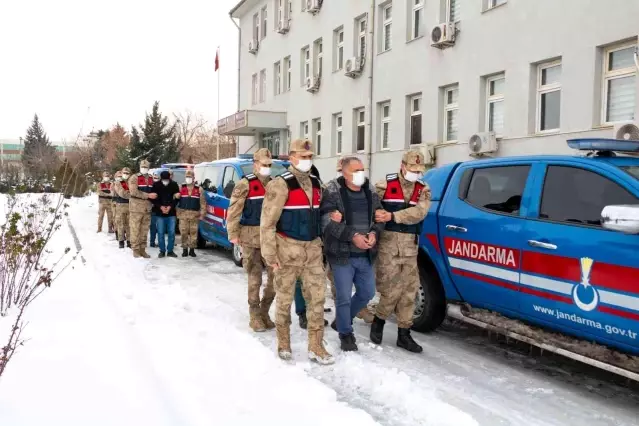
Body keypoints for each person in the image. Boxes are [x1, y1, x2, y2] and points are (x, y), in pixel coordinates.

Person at [260, 139, 334, 365]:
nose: (306, 161)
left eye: (309, 157)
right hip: (287, 252)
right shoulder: (280, 184)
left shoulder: (316, 183)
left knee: (318, 300)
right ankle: (283, 342)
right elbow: (268, 223)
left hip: (312, 251)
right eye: (302, 157)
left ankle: (316, 345)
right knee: (284, 299)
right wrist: (270, 256)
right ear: (291, 158)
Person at [321, 156, 384, 351]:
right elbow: (326, 223)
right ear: (344, 173)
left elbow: (380, 217)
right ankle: (346, 334)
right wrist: (353, 236)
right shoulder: (333, 192)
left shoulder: (370, 191)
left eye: (362, 170)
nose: (360, 174)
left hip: (364, 254)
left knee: (367, 292)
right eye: (355, 170)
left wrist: (374, 232)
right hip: (341, 255)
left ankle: (342, 320)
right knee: (344, 297)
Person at [370, 150, 431, 353]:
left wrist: (393, 216)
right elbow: (372, 208)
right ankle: (378, 321)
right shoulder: (384, 185)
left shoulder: (423, 188)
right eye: (412, 169)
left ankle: (404, 334)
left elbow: (420, 212)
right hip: (388, 246)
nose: (416, 174)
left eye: (419, 170)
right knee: (391, 289)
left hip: (410, 246)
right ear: (402, 166)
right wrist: (378, 215)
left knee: (409, 290)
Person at [227, 149, 277, 332]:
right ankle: (254, 315)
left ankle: (264, 311)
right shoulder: (244, 184)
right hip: (251, 240)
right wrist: (233, 233)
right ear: (255, 164)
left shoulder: (275, 185)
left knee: (275, 280)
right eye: (264, 165)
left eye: (269, 165)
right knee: (254, 279)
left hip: (271, 241)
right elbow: (233, 211)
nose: (267, 168)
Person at [127, 159, 157, 258]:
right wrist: (148, 195)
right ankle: (135, 249)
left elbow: (155, 190)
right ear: (140, 167)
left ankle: (142, 249)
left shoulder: (151, 178)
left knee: (144, 230)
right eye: (143, 167)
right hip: (136, 208)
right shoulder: (134, 178)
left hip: (147, 209)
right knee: (135, 229)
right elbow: (133, 192)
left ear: (148, 168)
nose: (144, 169)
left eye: (146, 167)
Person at [176, 169, 205, 257]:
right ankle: (185, 249)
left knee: (193, 233)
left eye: (190, 177)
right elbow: (175, 200)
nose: (188, 178)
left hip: (194, 214)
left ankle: (192, 250)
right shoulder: (181, 187)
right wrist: (176, 196)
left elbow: (203, 202)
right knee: (184, 232)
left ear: (193, 178)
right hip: (183, 214)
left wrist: (202, 214)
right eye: (187, 177)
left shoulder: (199, 189)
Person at [152, 170, 180, 258]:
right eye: (164, 179)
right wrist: (160, 207)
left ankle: (170, 250)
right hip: (160, 213)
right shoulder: (156, 185)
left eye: (167, 179)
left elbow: (177, 198)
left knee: (171, 232)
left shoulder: (174, 184)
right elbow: (153, 198)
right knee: (160, 233)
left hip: (171, 213)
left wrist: (170, 207)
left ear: (169, 178)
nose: (165, 181)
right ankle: (162, 251)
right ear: (161, 178)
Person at [114, 169, 131, 249]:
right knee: (120, 224)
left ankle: (129, 241)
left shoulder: (132, 182)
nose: (126, 174)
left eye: (127, 173)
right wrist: (133, 195)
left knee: (129, 225)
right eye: (124, 173)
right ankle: (121, 241)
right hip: (120, 205)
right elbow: (122, 193)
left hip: (130, 206)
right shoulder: (118, 182)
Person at [149, 171, 161, 247]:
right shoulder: (150, 187)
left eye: (157, 178)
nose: (155, 179)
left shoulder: (161, 186)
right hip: (152, 209)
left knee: (160, 228)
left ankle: (160, 242)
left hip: (159, 209)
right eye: (154, 178)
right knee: (153, 227)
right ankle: (152, 242)